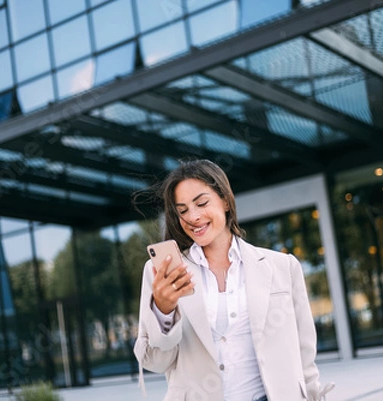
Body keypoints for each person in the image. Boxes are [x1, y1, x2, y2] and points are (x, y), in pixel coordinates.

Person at [133, 159, 334, 401]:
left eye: (202, 203)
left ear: (226, 201)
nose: (193, 217)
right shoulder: (162, 273)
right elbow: (155, 362)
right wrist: (163, 312)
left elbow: (305, 355)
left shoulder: (282, 267)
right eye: (183, 210)